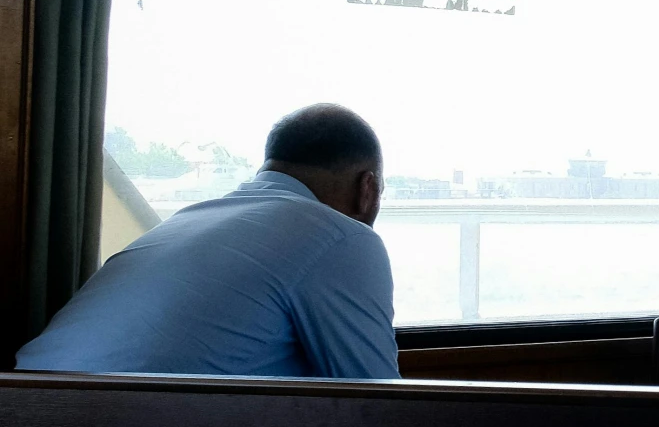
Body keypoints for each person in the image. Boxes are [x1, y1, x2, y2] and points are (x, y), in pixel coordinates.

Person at [16, 103, 398, 377]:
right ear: (368, 189)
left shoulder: (187, 220)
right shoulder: (343, 236)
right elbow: (380, 404)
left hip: (27, 411)